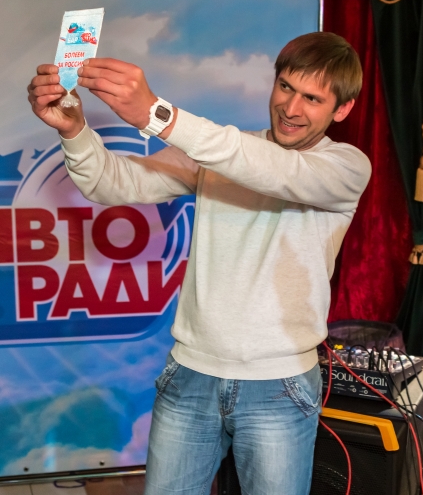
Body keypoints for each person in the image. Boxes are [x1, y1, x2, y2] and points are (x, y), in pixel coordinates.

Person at [27, 32, 370, 495]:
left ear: (342, 110)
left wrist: (156, 113)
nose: (291, 108)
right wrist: (74, 132)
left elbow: (273, 170)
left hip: (279, 386)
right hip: (190, 376)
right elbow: (113, 182)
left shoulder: (346, 167)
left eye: (312, 98)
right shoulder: (220, 152)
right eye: (286, 87)